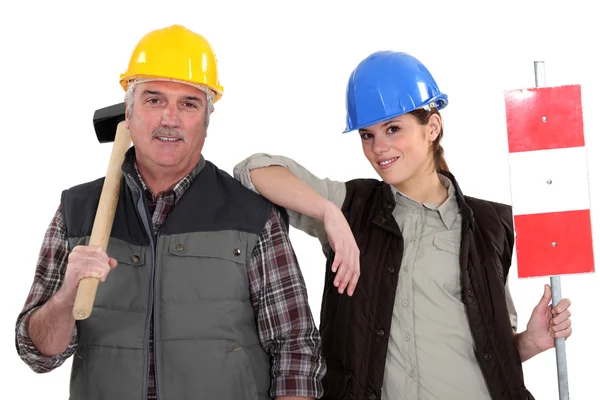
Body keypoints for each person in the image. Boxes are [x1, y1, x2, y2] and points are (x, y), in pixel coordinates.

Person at [233, 51, 573, 400]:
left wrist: (531, 341)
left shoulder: (489, 227)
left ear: (433, 128)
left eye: (393, 129)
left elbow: (494, 354)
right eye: (367, 135)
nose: (379, 148)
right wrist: (328, 213)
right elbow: (254, 170)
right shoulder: (352, 207)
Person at [15, 24, 325, 400]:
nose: (170, 119)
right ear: (128, 113)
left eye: (189, 104)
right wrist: (66, 294)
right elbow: (38, 354)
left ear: (207, 122)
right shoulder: (77, 212)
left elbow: (295, 347)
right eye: (154, 99)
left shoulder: (253, 216)